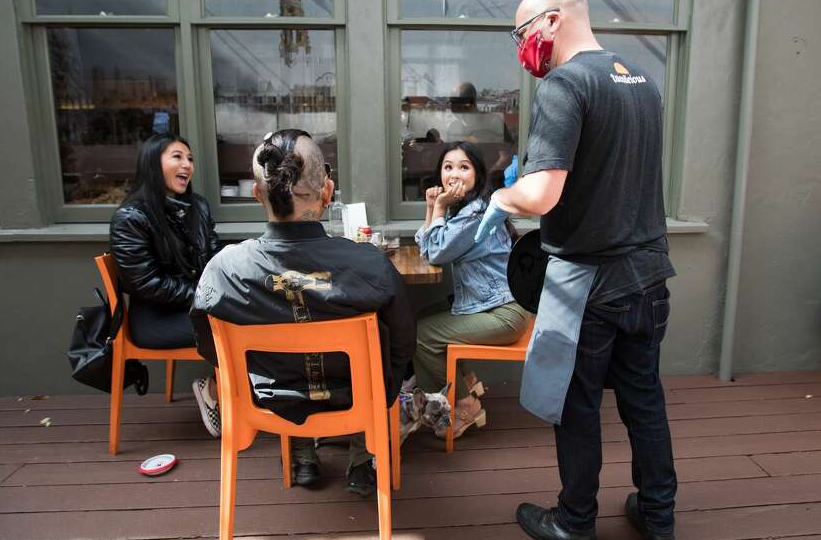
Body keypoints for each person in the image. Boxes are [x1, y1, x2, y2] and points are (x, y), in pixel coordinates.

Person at [475, 0, 678, 540]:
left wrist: (501, 197)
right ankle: (659, 523)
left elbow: (541, 193)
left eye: (522, 33)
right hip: (648, 278)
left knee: (577, 405)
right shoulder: (642, 82)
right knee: (644, 400)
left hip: (590, 284)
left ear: (554, 20)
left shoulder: (566, 85)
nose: (522, 47)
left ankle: (576, 523)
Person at [190, 129, 415, 497]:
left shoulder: (225, 271)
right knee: (378, 366)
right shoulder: (369, 265)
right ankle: (362, 460)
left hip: (270, 403)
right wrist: (385, 389)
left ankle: (300, 453)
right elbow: (402, 344)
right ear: (327, 193)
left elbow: (208, 346)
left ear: (257, 194)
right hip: (357, 401)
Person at [413, 141, 531, 438]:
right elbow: (428, 250)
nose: (454, 174)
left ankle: (465, 405)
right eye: (448, 167)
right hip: (485, 304)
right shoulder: (462, 210)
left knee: (421, 337)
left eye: (463, 167)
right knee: (418, 320)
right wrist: (433, 208)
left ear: (477, 175)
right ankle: (466, 381)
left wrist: (438, 207)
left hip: (503, 313)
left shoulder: (475, 214)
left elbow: (436, 252)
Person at [109, 132, 222, 437]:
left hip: (195, 305)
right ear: (152, 164)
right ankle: (215, 393)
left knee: (247, 315)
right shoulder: (131, 218)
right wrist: (207, 298)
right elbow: (146, 284)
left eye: (190, 158)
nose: (187, 164)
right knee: (231, 325)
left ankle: (229, 394)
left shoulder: (197, 206)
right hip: (154, 318)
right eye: (177, 156)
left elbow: (214, 257)